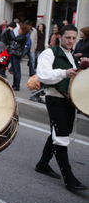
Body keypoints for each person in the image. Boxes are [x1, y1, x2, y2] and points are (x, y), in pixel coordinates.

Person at [35, 24, 88, 192]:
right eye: (68, 37)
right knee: (62, 136)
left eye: (74, 38)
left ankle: (42, 164)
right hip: (55, 98)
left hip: (68, 100)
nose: (71, 41)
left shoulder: (71, 55)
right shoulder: (49, 52)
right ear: (60, 37)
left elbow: (74, 79)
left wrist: (82, 68)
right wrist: (64, 73)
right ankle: (69, 178)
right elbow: (43, 75)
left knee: (58, 132)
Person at [9, 23, 29, 91]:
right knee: (15, 70)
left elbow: (14, 38)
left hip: (16, 54)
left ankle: (16, 86)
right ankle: (14, 85)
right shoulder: (21, 36)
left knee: (17, 71)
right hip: (14, 54)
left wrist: (11, 31)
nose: (18, 30)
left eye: (20, 29)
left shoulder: (23, 36)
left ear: (23, 30)